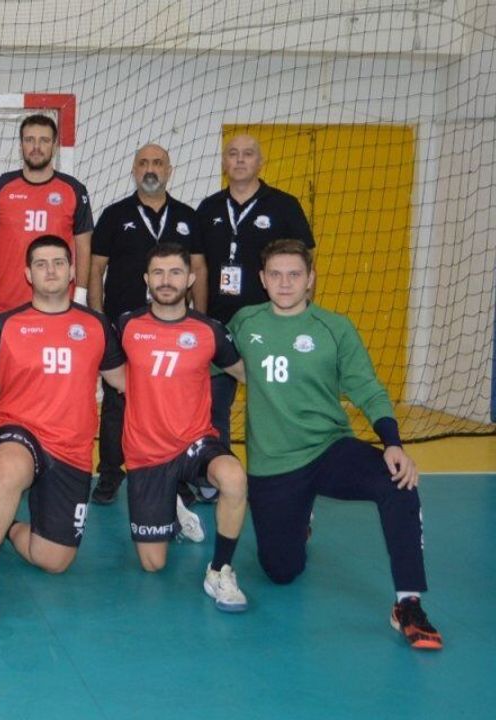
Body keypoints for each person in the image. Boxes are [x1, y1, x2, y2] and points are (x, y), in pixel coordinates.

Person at [229, 239, 441, 650]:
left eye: (294, 274)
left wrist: (393, 443)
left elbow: (368, 388)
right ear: (262, 279)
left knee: (398, 482)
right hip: (274, 463)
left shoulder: (334, 327)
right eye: (276, 274)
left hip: (328, 448)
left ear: (310, 279)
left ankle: (408, 603)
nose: (285, 283)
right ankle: (301, 516)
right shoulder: (245, 322)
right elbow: (211, 362)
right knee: (281, 571)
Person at [0, 235, 125, 624]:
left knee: (53, 560)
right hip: (18, 428)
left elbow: (123, 381)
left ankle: (6, 524)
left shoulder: (96, 325)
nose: (51, 270)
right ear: (28, 274)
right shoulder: (7, 324)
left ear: (72, 271)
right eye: (41, 264)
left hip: (72, 449)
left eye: (58, 263)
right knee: (9, 467)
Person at [117, 243, 249, 611]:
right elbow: (105, 368)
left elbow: (247, 373)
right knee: (153, 564)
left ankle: (220, 570)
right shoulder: (127, 325)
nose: (166, 280)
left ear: (190, 278)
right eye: (158, 273)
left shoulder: (209, 330)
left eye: (175, 272)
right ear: (146, 279)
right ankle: (172, 505)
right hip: (146, 453)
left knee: (233, 477)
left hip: (195, 442)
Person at [87, 144, 203, 505]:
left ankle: (179, 475)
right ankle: (110, 473)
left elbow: (199, 269)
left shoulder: (187, 216)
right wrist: (99, 321)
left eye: (157, 163)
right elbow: (95, 270)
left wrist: (200, 320)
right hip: (123, 329)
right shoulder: (114, 214)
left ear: (169, 170)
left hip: (174, 329)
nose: (150, 169)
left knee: (174, 402)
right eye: (143, 163)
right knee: (116, 403)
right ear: (134, 170)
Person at [194, 134, 313, 447]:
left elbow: (305, 263)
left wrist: (301, 317)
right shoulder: (208, 208)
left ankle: (280, 462)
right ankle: (215, 465)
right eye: (233, 153)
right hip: (220, 324)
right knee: (213, 406)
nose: (240, 159)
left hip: (271, 324)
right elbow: (199, 267)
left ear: (260, 162)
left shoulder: (285, 206)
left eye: (248, 154)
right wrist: (201, 319)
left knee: (273, 403)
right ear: (224, 162)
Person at [0, 114, 92, 322]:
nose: (36, 147)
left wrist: (81, 297)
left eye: (44, 140)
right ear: (21, 145)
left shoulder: (74, 189)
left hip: (59, 305)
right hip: (7, 306)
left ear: (54, 146)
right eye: (29, 140)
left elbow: (84, 246)